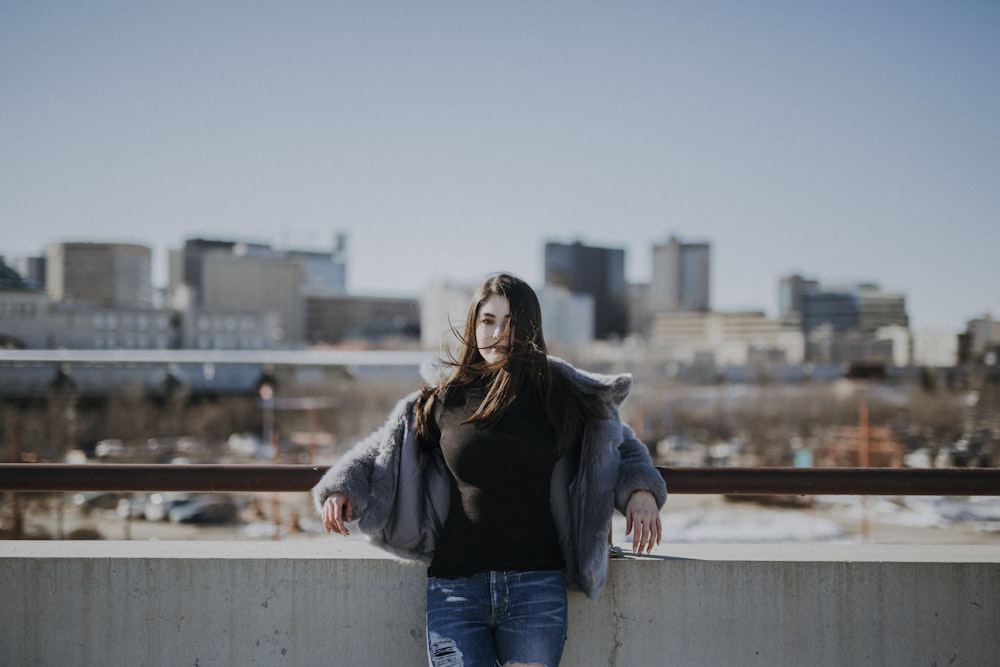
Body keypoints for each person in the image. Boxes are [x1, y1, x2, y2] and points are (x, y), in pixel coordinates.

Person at [313, 273, 667, 667]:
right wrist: (343, 487)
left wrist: (640, 490)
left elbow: (620, 443)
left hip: (537, 587)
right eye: (488, 320)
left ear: (530, 329)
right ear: (473, 325)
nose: (498, 333)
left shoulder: (559, 397)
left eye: (512, 323)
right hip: (455, 589)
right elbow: (383, 448)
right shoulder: (444, 399)